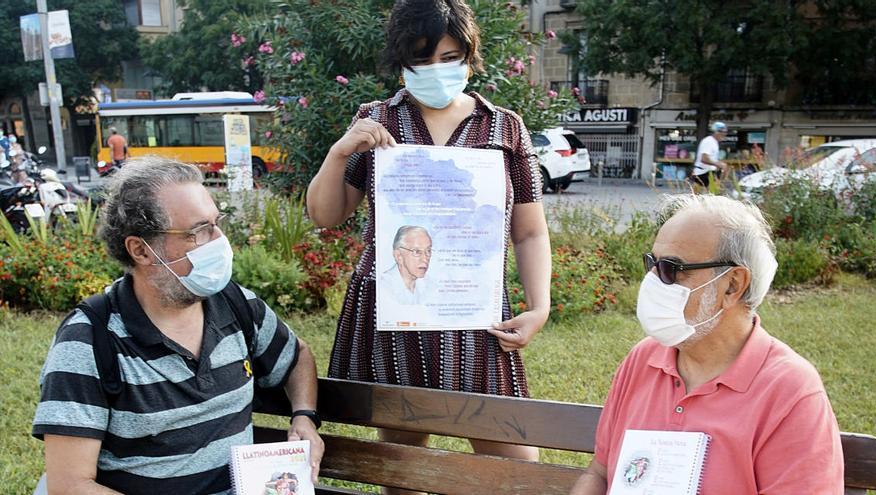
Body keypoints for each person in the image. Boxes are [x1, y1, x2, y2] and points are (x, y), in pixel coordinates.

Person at [306, 0, 551, 490]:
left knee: (518, 463)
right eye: (422, 58)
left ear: (469, 55)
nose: (437, 69)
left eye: (450, 56)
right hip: (397, 309)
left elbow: (529, 230)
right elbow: (325, 214)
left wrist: (539, 306)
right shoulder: (375, 121)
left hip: (476, 310)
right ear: (401, 59)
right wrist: (340, 152)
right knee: (401, 463)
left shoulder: (503, 126)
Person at [32, 156, 324, 494]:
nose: (218, 240)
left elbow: (296, 356)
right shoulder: (88, 341)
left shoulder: (235, 304)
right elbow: (69, 486)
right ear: (141, 250)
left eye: (217, 223)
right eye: (197, 231)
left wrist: (304, 416)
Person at [570, 194, 844, 494]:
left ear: (733, 285)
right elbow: (600, 472)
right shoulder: (643, 359)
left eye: (671, 269)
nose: (652, 281)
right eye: (651, 263)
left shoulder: (790, 392)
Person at [380, 226, 435, 305]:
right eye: (417, 251)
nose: (425, 259)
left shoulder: (430, 285)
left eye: (428, 251)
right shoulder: (383, 286)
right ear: (398, 256)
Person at [690, 121, 728, 188]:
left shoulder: (714, 142)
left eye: (725, 132)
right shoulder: (709, 141)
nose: (724, 134)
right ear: (716, 132)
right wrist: (719, 164)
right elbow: (704, 158)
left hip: (707, 172)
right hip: (702, 173)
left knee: (714, 194)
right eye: (722, 132)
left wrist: (719, 164)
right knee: (706, 196)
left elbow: (711, 158)